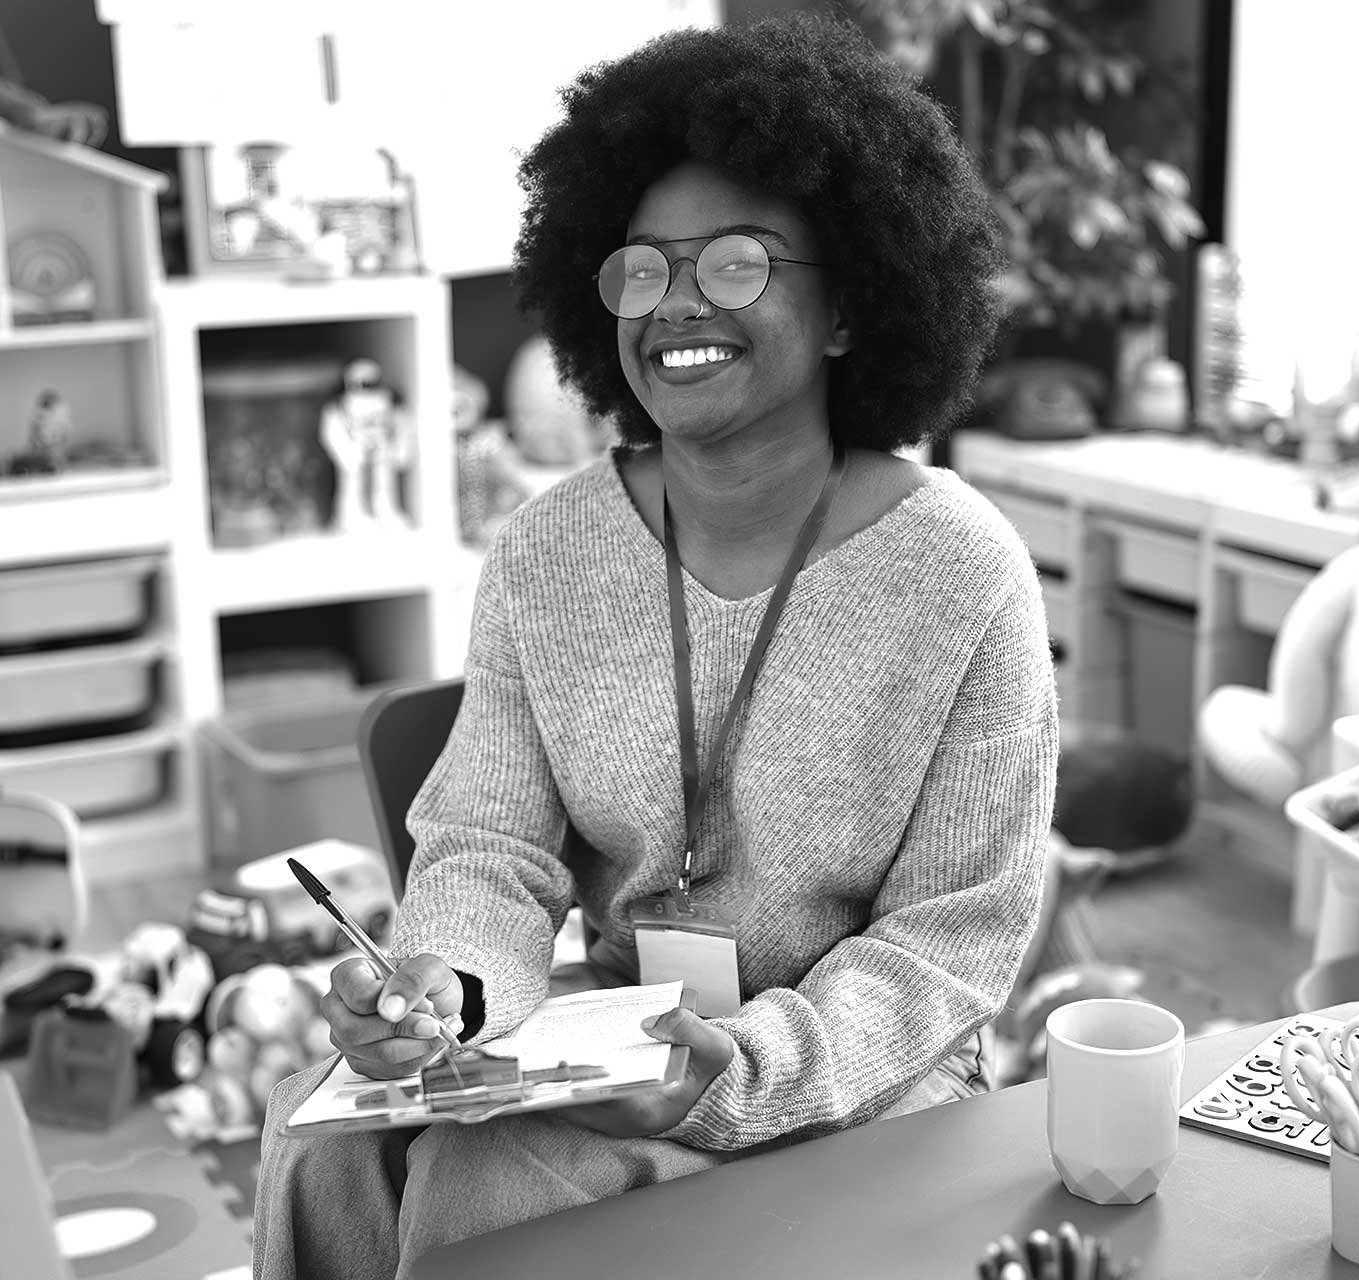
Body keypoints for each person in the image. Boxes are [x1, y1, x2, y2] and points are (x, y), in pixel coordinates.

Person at [252, 15, 1058, 1278]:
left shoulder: (962, 570)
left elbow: (954, 939)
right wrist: (442, 994)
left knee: (491, 1180)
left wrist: (739, 1069)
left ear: (849, 305)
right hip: (627, 1036)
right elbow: (490, 845)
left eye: (738, 263)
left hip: (862, 1071)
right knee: (317, 1140)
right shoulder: (548, 551)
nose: (676, 302)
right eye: (641, 268)